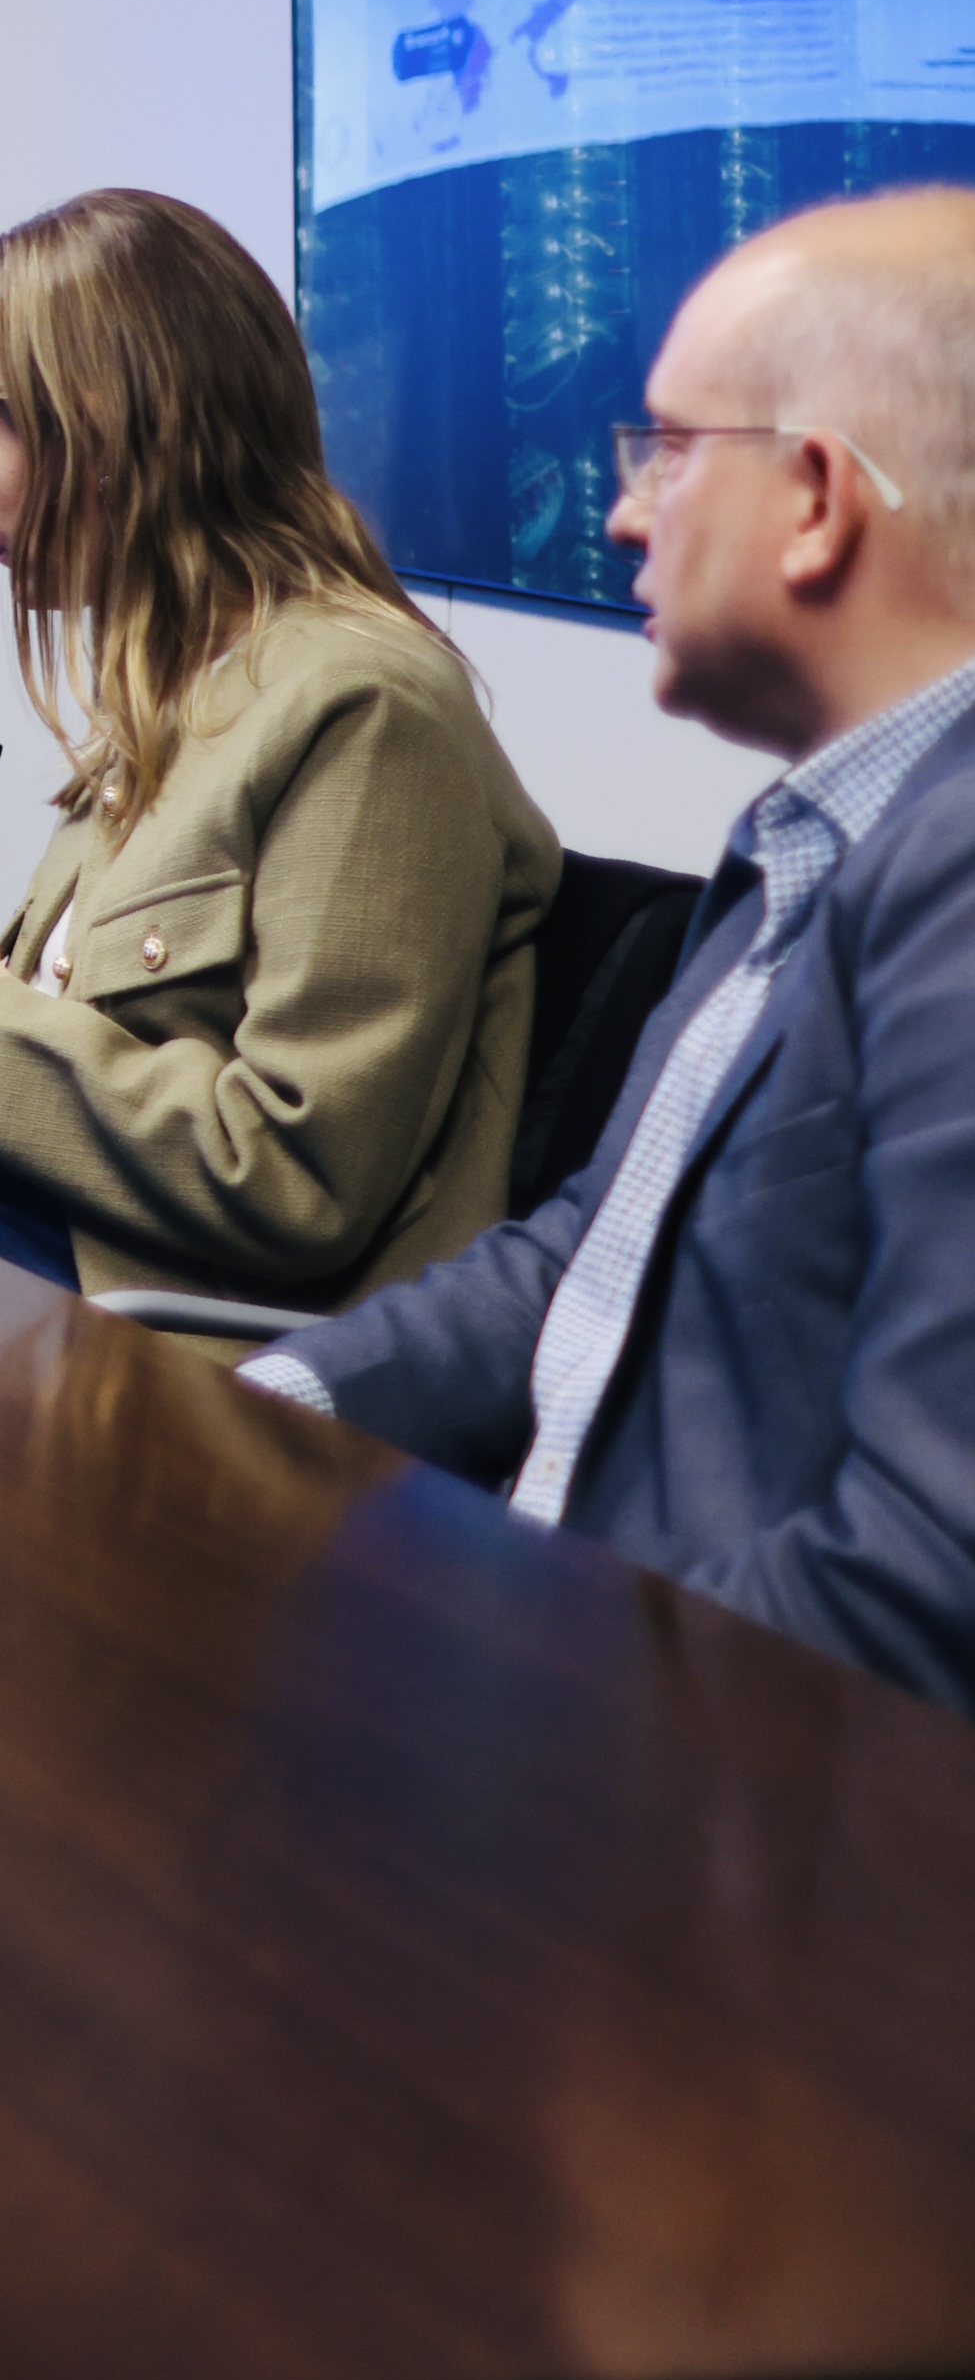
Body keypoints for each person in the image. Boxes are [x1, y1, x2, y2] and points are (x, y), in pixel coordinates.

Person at [242, 186, 975, 1718]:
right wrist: (266, 1405)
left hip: (681, 1812)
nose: (624, 510)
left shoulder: (952, 876)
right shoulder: (812, 834)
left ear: (815, 499)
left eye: (663, 449)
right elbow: (585, 1254)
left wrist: (513, 1710)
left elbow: (921, 1577)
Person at [0, 193, 558, 1306]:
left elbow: (292, 1176)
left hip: (157, 1375)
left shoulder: (366, 710)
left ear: (96, 438)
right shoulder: (174, 681)